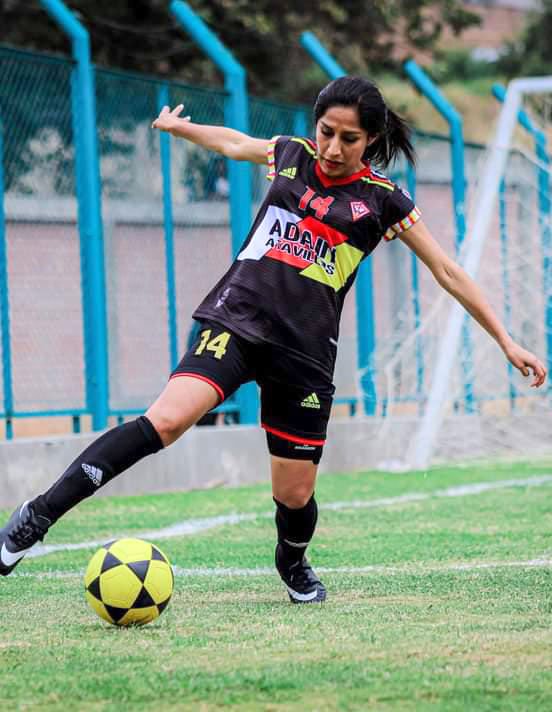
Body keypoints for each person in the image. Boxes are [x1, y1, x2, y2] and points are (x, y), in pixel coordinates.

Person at [0, 77, 546, 604]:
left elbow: (448, 271)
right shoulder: (291, 154)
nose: (332, 147)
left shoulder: (384, 202)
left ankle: (291, 559)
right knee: (165, 421)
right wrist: (179, 129)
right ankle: (36, 517)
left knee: (294, 495)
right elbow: (236, 143)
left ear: (372, 140)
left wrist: (505, 341)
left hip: (304, 352)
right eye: (326, 130)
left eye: (348, 138)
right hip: (236, 319)